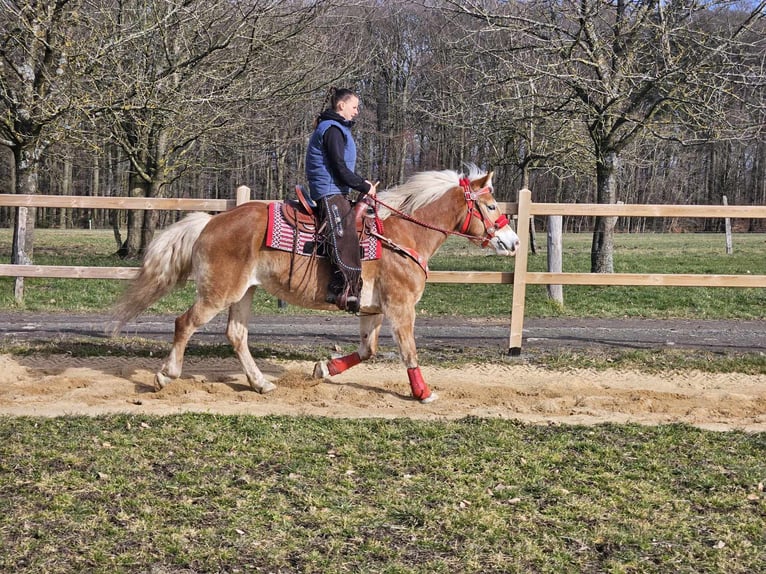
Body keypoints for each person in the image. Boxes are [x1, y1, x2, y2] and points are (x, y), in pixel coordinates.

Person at [305, 87, 376, 313]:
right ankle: (343, 288)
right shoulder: (333, 129)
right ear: (341, 105)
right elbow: (339, 168)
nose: (356, 111)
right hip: (329, 190)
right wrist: (364, 185)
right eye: (354, 107)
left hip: (335, 188)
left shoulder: (336, 128)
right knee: (345, 234)